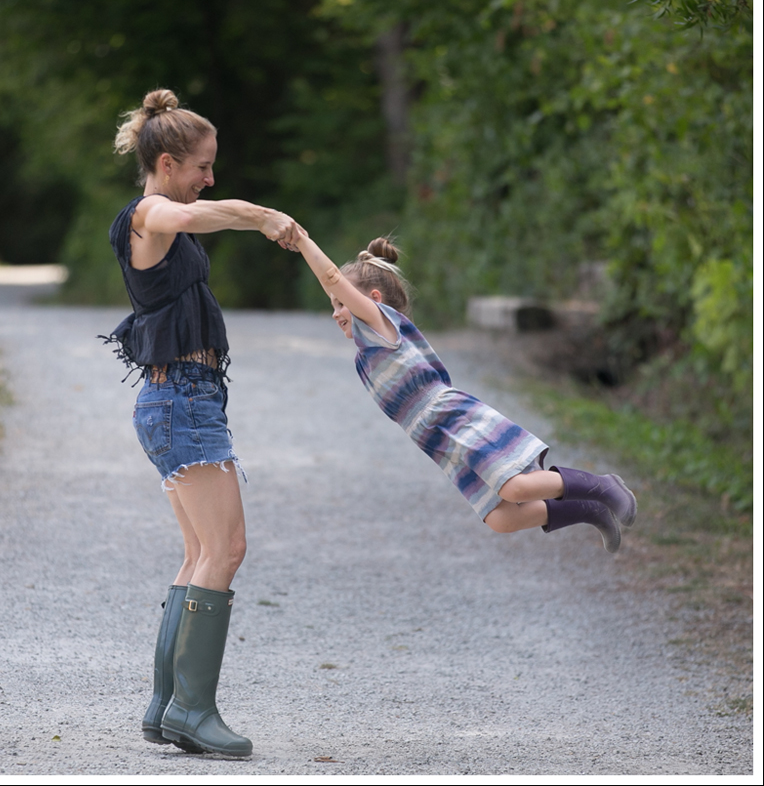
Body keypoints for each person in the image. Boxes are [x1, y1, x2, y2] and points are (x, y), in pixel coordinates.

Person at [101, 88, 302, 758]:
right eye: (201, 166)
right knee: (228, 549)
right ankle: (193, 708)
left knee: (200, 553)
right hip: (180, 402)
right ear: (164, 164)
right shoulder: (151, 213)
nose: (209, 178)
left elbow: (204, 208)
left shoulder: (161, 214)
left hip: (182, 400)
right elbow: (210, 213)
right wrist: (265, 216)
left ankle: (166, 707)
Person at [291, 232, 637, 551]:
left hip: (448, 415)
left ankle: (603, 485)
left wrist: (302, 240)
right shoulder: (364, 354)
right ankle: (590, 509)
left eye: (340, 303)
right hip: (434, 439)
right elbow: (334, 286)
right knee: (500, 519)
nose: (335, 312)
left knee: (515, 487)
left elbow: (332, 278)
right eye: (332, 305)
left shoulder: (380, 324)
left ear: (374, 300)